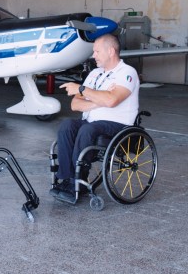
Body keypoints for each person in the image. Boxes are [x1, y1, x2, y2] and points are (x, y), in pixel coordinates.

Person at [51, 34, 140, 203]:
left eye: (97, 51)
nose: (93, 56)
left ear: (111, 51)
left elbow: (112, 100)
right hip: (92, 121)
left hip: (117, 124)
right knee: (67, 124)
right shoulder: (95, 73)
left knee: (88, 129)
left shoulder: (127, 73)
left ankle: (79, 181)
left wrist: (85, 91)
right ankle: (67, 179)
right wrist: (100, 100)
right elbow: (75, 104)